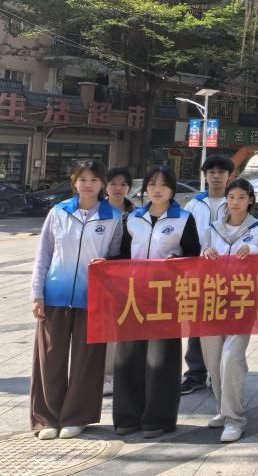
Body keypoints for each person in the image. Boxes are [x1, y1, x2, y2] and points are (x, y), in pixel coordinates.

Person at [30, 161, 122, 440]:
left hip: (93, 298)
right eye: (82, 179)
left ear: (102, 183)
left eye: (94, 179)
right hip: (55, 296)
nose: (88, 185)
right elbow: (44, 254)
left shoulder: (113, 217)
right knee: (50, 358)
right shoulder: (59, 212)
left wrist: (107, 266)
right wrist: (37, 293)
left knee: (87, 361)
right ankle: (47, 418)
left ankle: (77, 417)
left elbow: (116, 257)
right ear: (74, 181)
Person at [114, 166, 201, 437]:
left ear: (172, 189)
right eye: (152, 184)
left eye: (163, 184)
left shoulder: (184, 219)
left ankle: (158, 419)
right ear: (145, 189)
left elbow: (193, 255)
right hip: (134, 296)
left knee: (161, 359)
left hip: (167, 298)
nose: (157, 189)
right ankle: (128, 418)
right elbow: (123, 255)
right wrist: (104, 263)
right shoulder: (133, 218)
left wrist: (177, 263)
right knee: (128, 357)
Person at [199, 178, 258, 443]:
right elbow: (200, 260)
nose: (235, 202)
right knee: (213, 360)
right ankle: (222, 408)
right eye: (231, 197)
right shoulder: (212, 229)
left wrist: (254, 250)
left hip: (243, 300)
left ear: (250, 200)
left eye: (241, 197)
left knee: (231, 358)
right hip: (212, 299)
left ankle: (234, 419)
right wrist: (206, 254)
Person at [181, 153, 235, 396]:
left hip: (228, 274)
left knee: (224, 321)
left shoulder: (235, 200)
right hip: (198, 273)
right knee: (197, 323)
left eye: (221, 172)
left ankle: (219, 373)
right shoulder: (194, 204)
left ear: (229, 176)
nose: (216, 176)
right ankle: (195, 374)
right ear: (204, 175)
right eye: (211, 172)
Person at [101, 167, 136, 398]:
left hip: (131, 277)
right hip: (102, 275)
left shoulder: (137, 214)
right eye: (113, 183)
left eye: (123, 184)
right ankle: (105, 375)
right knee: (106, 326)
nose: (118, 188)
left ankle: (122, 373)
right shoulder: (97, 211)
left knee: (125, 325)